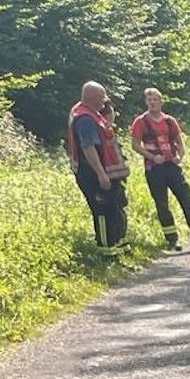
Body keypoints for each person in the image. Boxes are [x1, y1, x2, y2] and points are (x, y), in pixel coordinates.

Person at [129, 88, 190, 253]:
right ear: (146, 102)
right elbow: (135, 145)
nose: (152, 102)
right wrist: (151, 157)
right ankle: (172, 241)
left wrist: (179, 157)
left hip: (172, 167)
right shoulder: (141, 121)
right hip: (154, 169)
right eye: (149, 100)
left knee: (187, 201)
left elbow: (180, 143)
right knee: (162, 204)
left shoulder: (169, 121)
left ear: (161, 101)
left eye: (155, 99)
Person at [66, 82, 130, 255]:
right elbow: (88, 148)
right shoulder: (86, 119)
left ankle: (119, 245)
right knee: (102, 211)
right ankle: (106, 252)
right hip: (93, 173)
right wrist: (101, 174)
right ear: (93, 99)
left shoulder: (91, 113)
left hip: (105, 172)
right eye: (103, 97)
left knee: (114, 207)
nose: (105, 101)